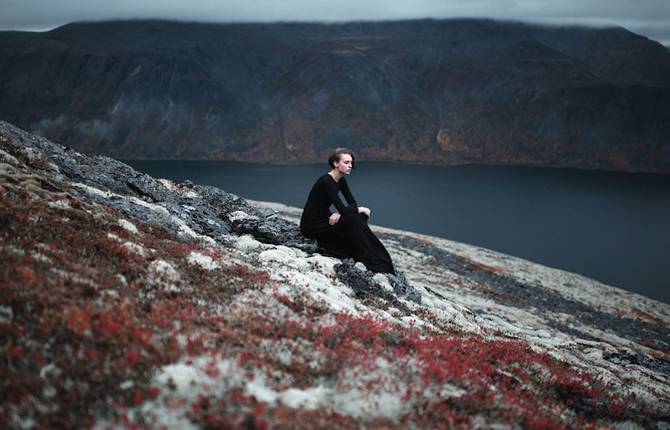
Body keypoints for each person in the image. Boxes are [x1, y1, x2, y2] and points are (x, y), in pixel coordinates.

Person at [299, 147, 396, 274]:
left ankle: (376, 257)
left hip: (326, 218)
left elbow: (351, 203)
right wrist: (358, 209)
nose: (350, 166)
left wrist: (340, 212)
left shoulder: (340, 180)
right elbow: (350, 208)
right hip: (313, 225)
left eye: (351, 162)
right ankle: (373, 257)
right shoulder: (326, 181)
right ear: (335, 163)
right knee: (356, 217)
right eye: (346, 162)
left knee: (358, 217)